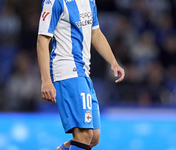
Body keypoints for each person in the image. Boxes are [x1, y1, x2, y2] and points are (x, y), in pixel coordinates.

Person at [37, 0, 125, 150]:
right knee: (84, 135)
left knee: (94, 136)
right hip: (67, 71)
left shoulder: (89, 1)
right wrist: (46, 80)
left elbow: (95, 32)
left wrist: (113, 62)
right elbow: (42, 40)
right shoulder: (55, 2)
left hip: (83, 72)